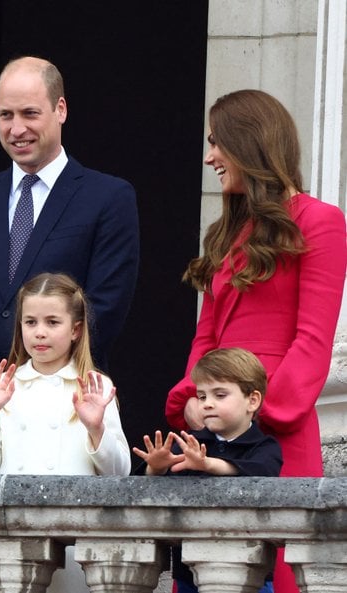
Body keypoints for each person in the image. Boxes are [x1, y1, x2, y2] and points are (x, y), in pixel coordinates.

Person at [165, 90, 347, 593]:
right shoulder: (229, 231)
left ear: (250, 142)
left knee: (277, 576)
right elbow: (207, 336)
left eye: (217, 143)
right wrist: (193, 404)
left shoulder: (320, 221)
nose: (209, 158)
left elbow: (313, 340)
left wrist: (254, 414)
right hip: (219, 423)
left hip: (276, 431)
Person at [0, 56, 139, 369]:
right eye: (6, 115)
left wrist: (39, 375)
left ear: (61, 109)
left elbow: (104, 308)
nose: (17, 129)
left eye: (30, 113)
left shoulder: (108, 198)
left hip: (64, 397)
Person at [0, 272, 129, 593]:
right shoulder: (4, 386)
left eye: (53, 322)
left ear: (75, 330)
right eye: (30, 322)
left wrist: (96, 428)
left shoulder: (96, 386)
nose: (39, 332)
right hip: (12, 542)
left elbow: (119, 475)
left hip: (74, 543)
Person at [138, 348, 281, 593]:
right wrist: (156, 468)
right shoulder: (191, 442)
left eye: (220, 394)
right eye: (202, 396)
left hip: (250, 569)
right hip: (190, 570)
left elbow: (262, 473)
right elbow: (144, 492)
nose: (207, 404)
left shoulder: (264, 446)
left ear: (252, 400)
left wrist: (209, 465)